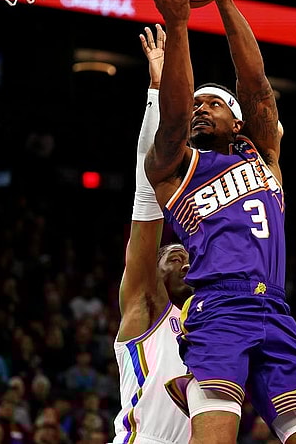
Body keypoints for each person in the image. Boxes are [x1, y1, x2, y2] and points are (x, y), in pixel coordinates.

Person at [148, 0, 296, 442]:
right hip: (221, 309)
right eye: (196, 104)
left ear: (238, 124)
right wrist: (179, 26)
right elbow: (173, 118)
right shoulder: (174, 169)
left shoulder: (263, 156)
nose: (199, 109)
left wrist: (225, 2)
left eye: (213, 104)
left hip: (276, 309)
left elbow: (257, 88)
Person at [111, 23, 193, 444]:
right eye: (171, 256)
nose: (182, 259)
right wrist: (159, 93)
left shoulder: (214, 321)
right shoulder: (145, 306)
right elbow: (146, 191)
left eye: (187, 256)